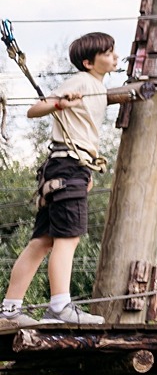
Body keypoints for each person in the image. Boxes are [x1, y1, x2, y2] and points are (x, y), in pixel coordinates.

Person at [0, 32, 130, 326]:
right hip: (67, 167)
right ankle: (60, 306)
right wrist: (60, 104)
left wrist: (87, 168)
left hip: (66, 166)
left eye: (113, 51)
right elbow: (36, 110)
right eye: (108, 53)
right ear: (88, 61)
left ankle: (9, 311)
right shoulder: (83, 81)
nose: (114, 56)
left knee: (41, 241)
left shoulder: (97, 86)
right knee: (67, 239)